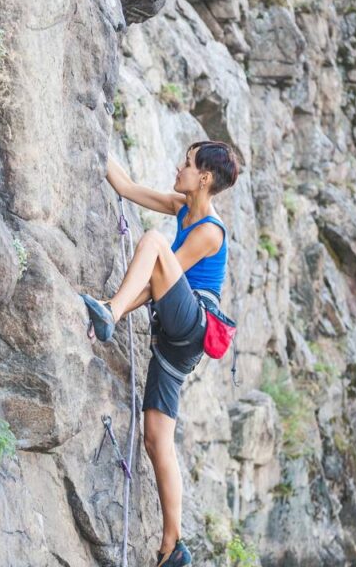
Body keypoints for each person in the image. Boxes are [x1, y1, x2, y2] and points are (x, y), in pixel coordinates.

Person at [81, 141, 239, 567]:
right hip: (173, 341)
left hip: (192, 325)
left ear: (204, 178)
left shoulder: (209, 230)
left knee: (152, 241)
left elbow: (157, 283)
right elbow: (129, 187)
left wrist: (112, 310)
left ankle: (108, 312)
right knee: (156, 439)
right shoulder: (182, 207)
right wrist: (94, 139)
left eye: (186, 164)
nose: (178, 167)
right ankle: (175, 546)